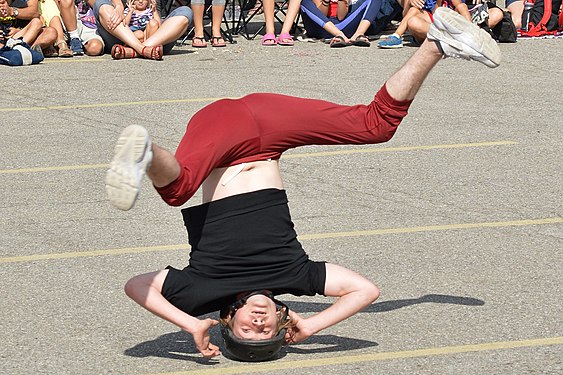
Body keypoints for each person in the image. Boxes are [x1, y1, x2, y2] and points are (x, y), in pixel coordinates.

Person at [106, 7, 501, 360]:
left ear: (227, 320)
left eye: (247, 329)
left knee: (178, 191)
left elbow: (136, 286)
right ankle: (437, 41)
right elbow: (366, 291)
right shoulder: (297, 277)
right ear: (282, 320)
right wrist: (312, 327)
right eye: (267, 331)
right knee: (375, 126)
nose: (258, 323)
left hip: (220, 133)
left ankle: (145, 151)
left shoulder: (201, 291)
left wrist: (191, 324)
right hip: (268, 128)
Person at [91, 0, 191, 60]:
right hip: (123, 34)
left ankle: (134, 51)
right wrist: (119, 6)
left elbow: (157, 20)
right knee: (100, 4)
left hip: (156, 36)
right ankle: (143, 49)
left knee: (186, 12)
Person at [297, 0, 402, 47]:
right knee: (305, 2)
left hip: (343, 23)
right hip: (321, 26)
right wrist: (326, 1)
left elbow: (341, 16)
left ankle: (358, 34)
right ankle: (339, 35)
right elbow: (321, 13)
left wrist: (341, 1)